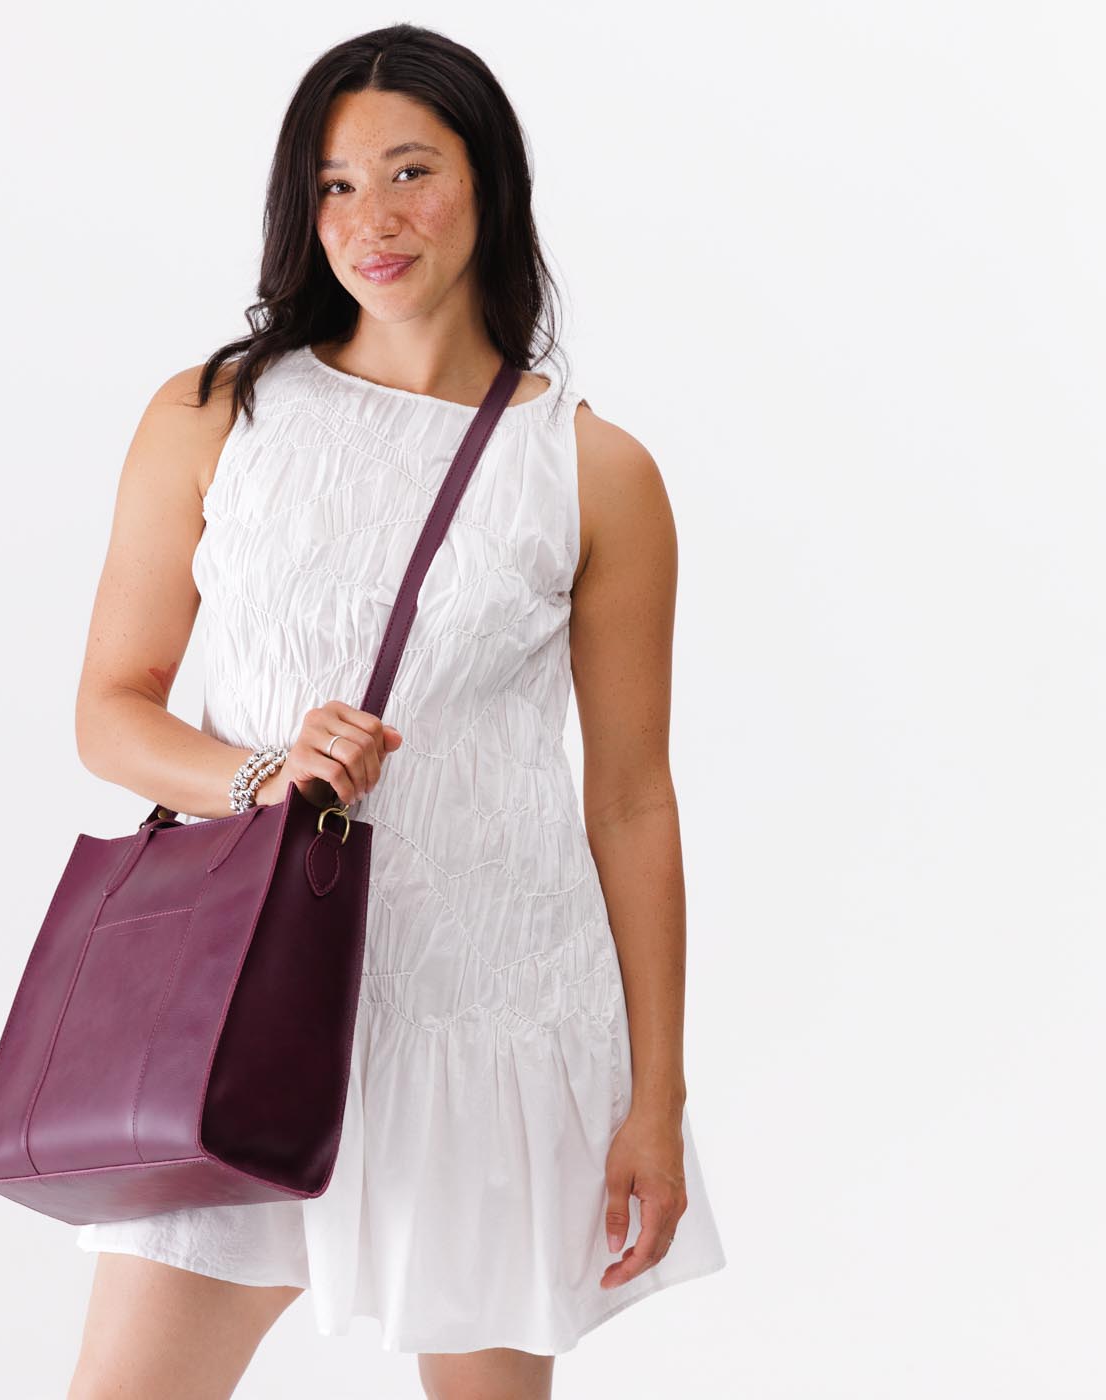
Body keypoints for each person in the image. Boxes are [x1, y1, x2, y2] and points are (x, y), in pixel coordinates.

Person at [64, 22, 725, 1400]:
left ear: (489, 181)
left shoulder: (593, 471)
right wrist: (261, 770)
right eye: (335, 184)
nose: (372, 218)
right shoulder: (215, 413)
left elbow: (631, 799)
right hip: (244, 1002)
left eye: (411, 171)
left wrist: (655, 1098)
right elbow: (110, 714)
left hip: (489, 1007)